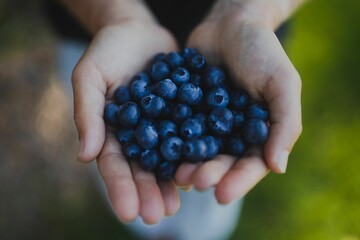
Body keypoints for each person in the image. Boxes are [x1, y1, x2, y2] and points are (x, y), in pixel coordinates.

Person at [54, 0, 304, 239]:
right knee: (133, 178)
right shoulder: (143, 103)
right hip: (98, 34)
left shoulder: (214, 109)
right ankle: (151, 231)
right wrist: (114, 14)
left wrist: (251, 10)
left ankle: (198, 232)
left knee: (208, 187)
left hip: (237, 49)